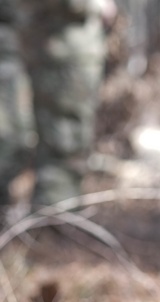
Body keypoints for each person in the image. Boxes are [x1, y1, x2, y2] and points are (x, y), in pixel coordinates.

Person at [0, 0, 111, 208]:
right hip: (58, 37)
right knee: (60, 142)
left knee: (57, 141)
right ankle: (57, 220)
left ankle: (55, 220)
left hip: (47, 34)